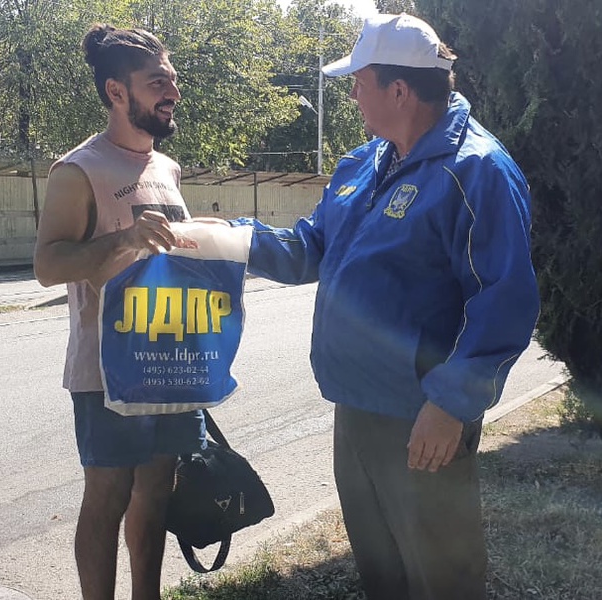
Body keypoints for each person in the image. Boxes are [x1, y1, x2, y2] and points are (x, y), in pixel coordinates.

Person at [230, 12, 540, 600]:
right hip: (356, 404)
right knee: (382, 567)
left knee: (440, 575)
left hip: (422, 413)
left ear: (399, 90)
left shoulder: (475, 171)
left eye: (358, 81)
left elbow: (505, 300)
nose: (350, 93)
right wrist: (228, 239)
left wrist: (450, 406)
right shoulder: (364, 162)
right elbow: (309, 249)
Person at [33, 24, 206, 600]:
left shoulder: (168, 168)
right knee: (106, 497)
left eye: (173, 81)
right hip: (107, 370)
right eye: (157, 82)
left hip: (172, 359)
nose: (171, 92)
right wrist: (122, 240)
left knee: (157, 487)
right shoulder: (77, 170)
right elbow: (48, 265)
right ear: (115, 92)